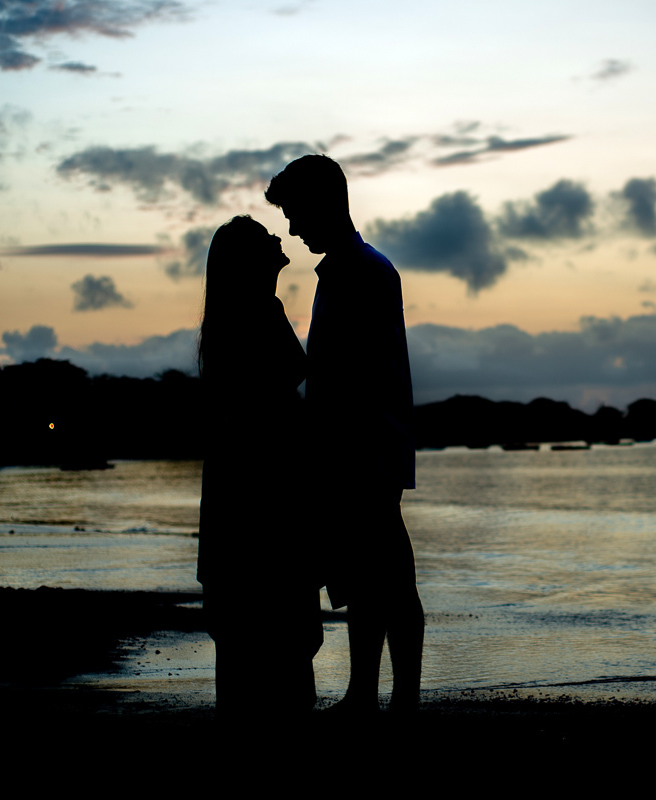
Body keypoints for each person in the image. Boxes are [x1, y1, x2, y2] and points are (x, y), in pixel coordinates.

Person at [265, 154, 424, 714]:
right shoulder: (345, 271)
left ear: (322, 204)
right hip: (359, 449)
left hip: (367, 451)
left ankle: (396, 697)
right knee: (369, 579)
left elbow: (361, 380)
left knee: (389, 579)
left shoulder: (362, 272)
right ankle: (369, 693)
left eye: (294, 213)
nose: (291, 227)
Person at [197, 215, 321, 731]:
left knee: (250, 619)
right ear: (251, 261)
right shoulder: (256, 311)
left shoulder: (233, 315)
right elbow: (292, 370)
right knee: (274, 611)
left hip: (244, 481)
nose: (279, 238)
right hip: (263, 482)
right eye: (266, 237)